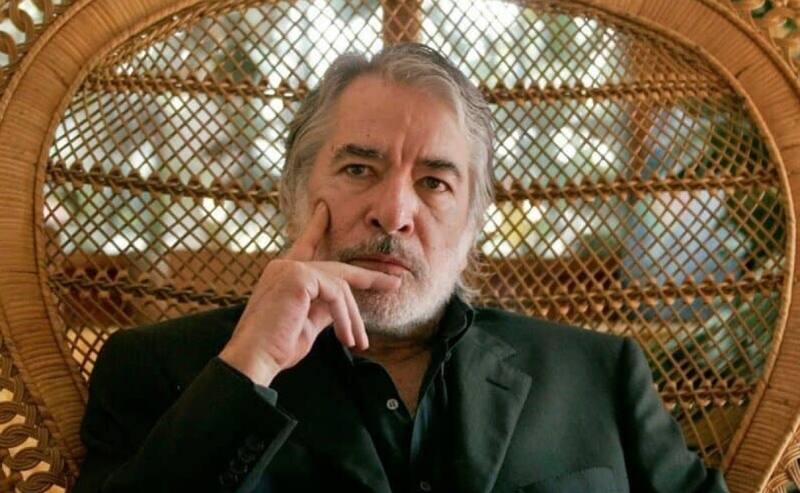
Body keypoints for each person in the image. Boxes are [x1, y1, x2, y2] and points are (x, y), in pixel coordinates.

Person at [73, 43, 729, 493]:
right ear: (296, 192)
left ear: (471, 225)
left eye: (435, 182)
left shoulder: (600, 375)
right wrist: (249, 366)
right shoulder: (158, 370)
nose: (393, 211)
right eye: (359, 168)